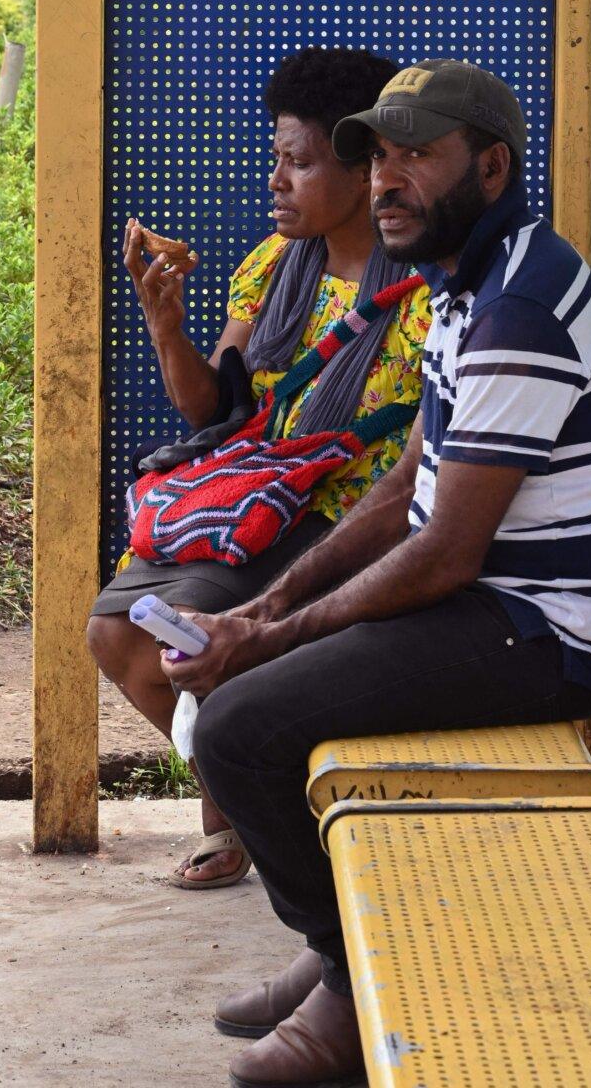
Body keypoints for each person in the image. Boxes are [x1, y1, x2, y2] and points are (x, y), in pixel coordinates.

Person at [162, 59, 591, 1088]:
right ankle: (341, 955)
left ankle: (347, 981)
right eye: (377, 157)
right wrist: (269, 604)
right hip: (493, 605)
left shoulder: (520, 306)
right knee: (249, 697)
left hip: (547, 636)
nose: (387, 180)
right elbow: (405, 487)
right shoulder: (468, 281)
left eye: (415, 157)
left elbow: (442, 551)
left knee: (241, 725)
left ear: (491, 166)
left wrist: (266, 638)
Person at [86, 47, 432, 888]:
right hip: (251, 500)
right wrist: (166, 326)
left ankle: (255, 812)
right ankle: (239, 802)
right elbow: (217, 413)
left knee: (185, 638)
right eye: (275, 158)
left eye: (299, 162)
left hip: (345, 520)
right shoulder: (274, 268)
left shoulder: (424, 293)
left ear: (365, 171)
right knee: (114, 633)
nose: (276, 180)